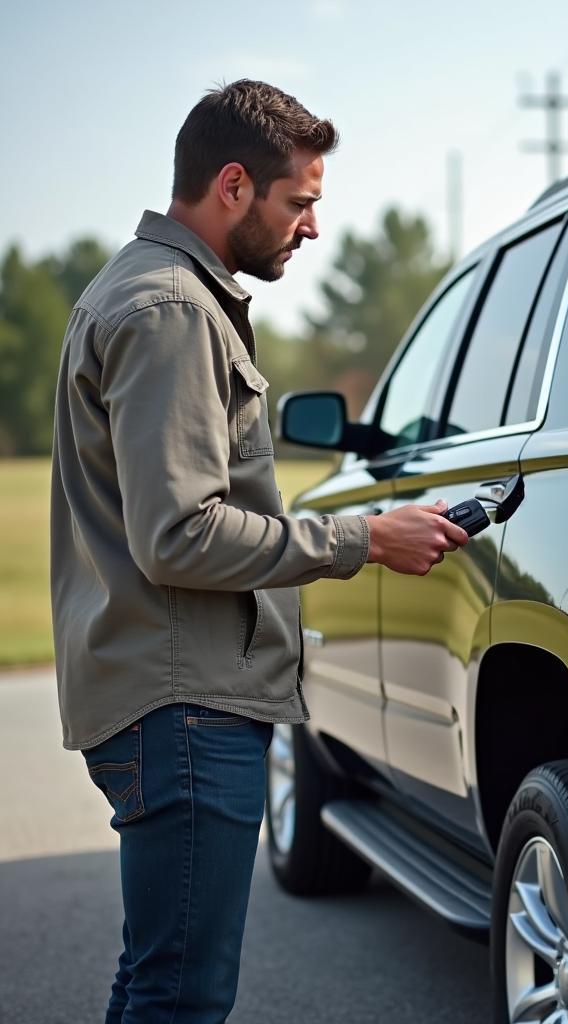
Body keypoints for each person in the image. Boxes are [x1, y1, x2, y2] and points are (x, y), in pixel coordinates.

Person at [49, 79, 469, 1023]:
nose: (312, 227)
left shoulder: (151, 292)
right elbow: (181, 533)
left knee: (156, 982)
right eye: (301, 202)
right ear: (233, 186)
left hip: (167, 695)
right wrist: (365, 537)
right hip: (183, 705)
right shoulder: (170, 311)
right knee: (181, 997)